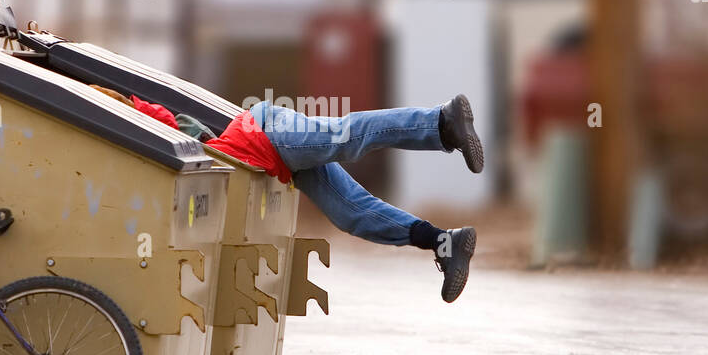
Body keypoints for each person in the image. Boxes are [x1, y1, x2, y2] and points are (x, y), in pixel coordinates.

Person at [95, 87, 483, 302]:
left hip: (266, 132)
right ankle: (444, 242)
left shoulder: (145, 120)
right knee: (351, 213)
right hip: (272, 158)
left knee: (344, 136)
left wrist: (117, 104)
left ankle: (440, 122)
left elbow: (157, 116)